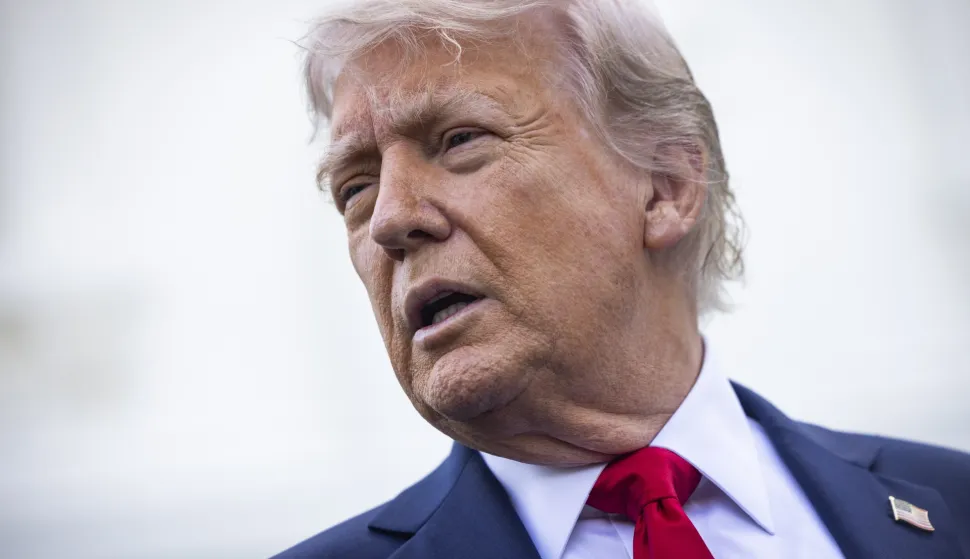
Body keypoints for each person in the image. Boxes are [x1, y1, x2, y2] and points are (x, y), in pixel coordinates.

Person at [276, 1, 970, 557]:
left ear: (668, 184)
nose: (391, 218)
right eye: (355, 189)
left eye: (459, 139)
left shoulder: (954, 502)